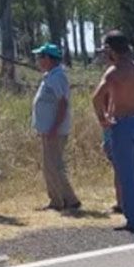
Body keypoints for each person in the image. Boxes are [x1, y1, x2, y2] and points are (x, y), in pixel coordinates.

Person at [91, 30, 134, 234]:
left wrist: (103, 119)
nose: (105, 55)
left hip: (121, 124)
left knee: (126, 174)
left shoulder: (114, 72)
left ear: (112, 50)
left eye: (106, 51)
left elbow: (96, 97)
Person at [32, 42, 79, 212]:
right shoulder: (51, 75)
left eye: (40, 57)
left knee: (53, 165)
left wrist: (54, 127)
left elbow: (63, 103)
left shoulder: (57, 77)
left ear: (48, 58)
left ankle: (61, 200)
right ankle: (65, 199)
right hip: (49, 129)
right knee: (52, 165)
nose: (38, 60)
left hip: (54, 130)